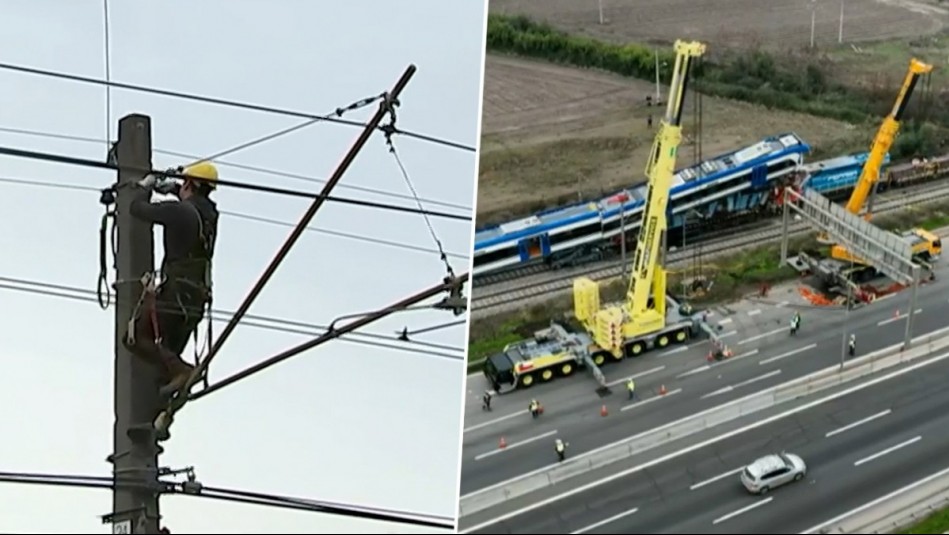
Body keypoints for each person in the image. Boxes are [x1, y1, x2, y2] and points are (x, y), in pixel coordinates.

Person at [125, 161, 220, 395]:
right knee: (165, 361)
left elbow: (137, 209)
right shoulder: (209, 215)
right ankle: (159, 412)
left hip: (176, 294)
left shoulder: (179, 212)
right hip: (196, 301)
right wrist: (173, 189)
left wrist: (143, 188)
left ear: (189, 183)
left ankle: (183, 371)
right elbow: (194, 203)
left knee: (135, 337)